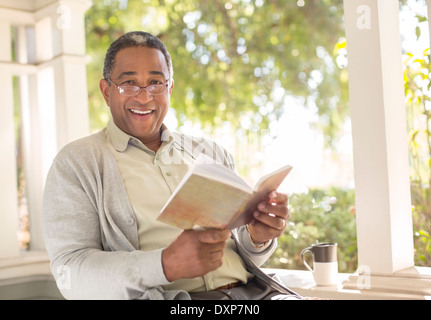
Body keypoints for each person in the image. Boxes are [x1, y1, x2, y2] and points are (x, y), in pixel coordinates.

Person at [42, 31, 301, 300]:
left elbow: (242, 255)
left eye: (155, 82)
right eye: (129, 83)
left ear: (169, 88)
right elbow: (69, 272)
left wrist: (257, 237)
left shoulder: (211, 153)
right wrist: (164, 265)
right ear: (107, 91)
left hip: (256, 294)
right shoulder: (77, 163)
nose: (144, 98)